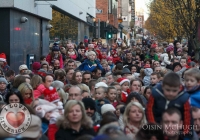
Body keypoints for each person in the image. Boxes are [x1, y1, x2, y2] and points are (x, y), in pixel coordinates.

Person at [146, 72, 191, 137]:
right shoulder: (155, 93)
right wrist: (153, 127)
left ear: (179, 88)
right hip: (158, 123)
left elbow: (187, 116)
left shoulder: (183, 97)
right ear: (162, 86)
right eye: (168, 90)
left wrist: (185, 132)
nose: (171, 93)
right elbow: (149, 110)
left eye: (174, 91)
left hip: (177, 127)